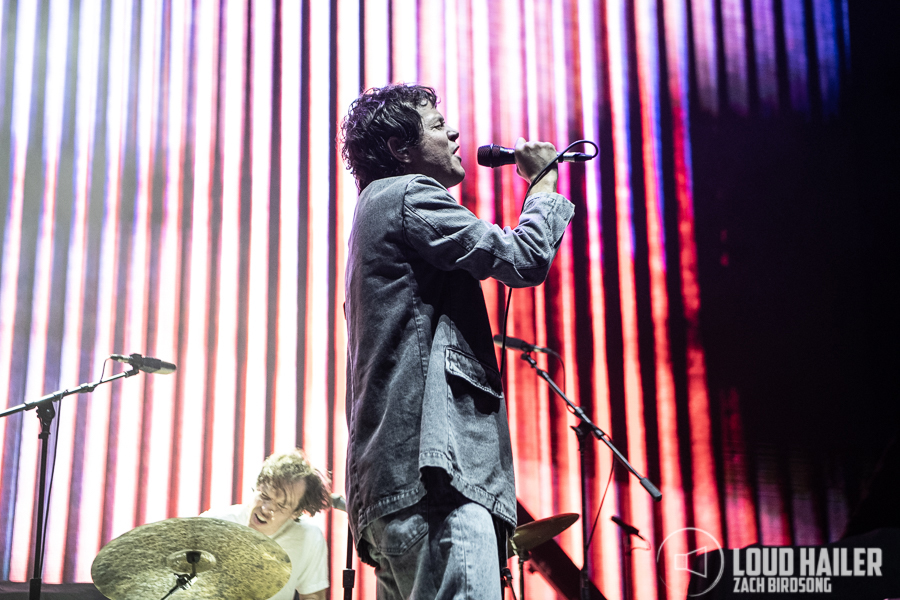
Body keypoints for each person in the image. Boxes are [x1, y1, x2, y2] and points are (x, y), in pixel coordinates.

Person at [341, 83, 575, 599]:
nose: (455, 131)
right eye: (435, 123)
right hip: (434, 478)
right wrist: (543, 187)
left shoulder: (369, 216)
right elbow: (521, 259)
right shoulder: (407, 193)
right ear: (401, 148)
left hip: (388, 488)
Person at [201, 449, 331, 600]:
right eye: (264, 496)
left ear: (296, 512)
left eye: (281, 505)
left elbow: (313, 596)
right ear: (257, 486)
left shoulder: (309, 537)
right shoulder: (213, 523)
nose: (265, 509)